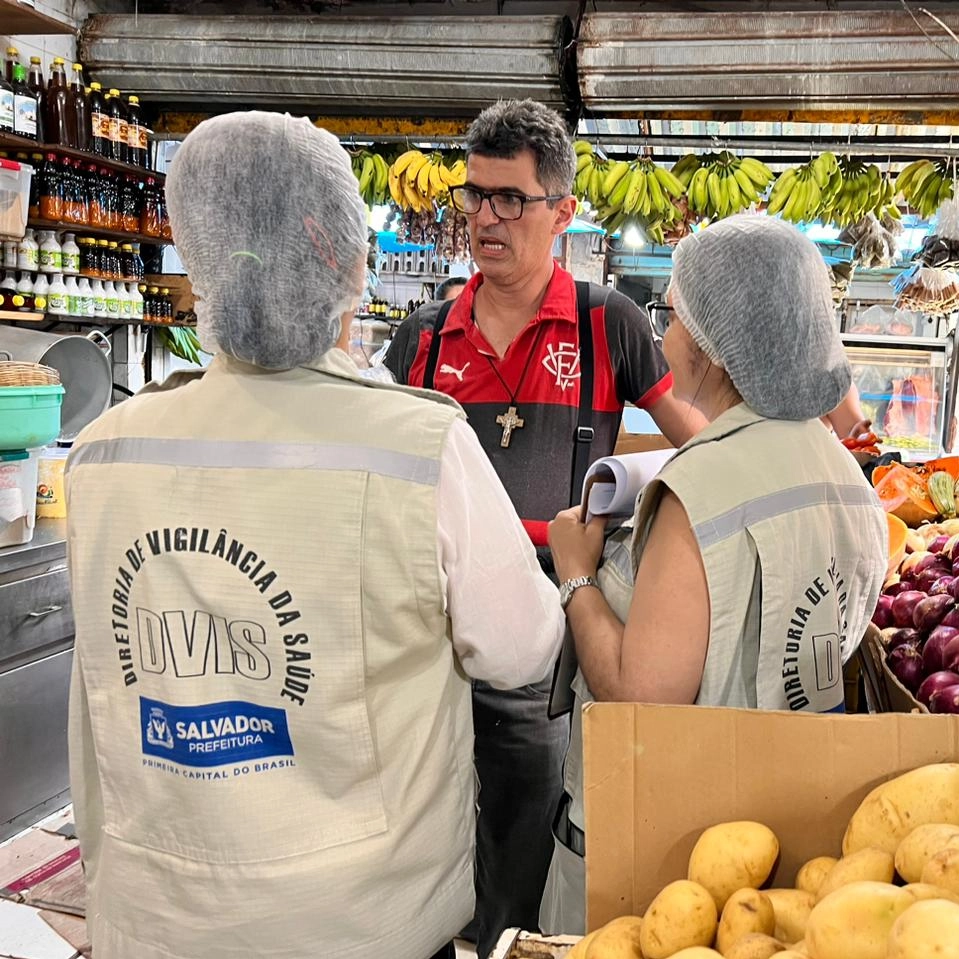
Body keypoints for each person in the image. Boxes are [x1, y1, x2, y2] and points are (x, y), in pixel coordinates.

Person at [64, 112, 565, 959]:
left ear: (203, 255)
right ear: (343, 258)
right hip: (363, 928)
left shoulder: (107, 450)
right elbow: (522, 651)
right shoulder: (417, 446)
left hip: (155, 926)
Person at [384, 98, 705, 956]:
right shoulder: (420, 342)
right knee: (421, 850)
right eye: (475, 195)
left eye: (511, 199)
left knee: (523, 855)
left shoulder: (608, 325)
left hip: (545, 649)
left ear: (561, 212)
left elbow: (703, 451)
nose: (486, 219)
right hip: (425, 649)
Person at [541, 214, 888, 934]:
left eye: (672, 313)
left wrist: (576, 576)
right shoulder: (844, 472)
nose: (662, 334)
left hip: (668, 856)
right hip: (784, 842)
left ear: (715, 350)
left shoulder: (703, 484)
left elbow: (643, 691)